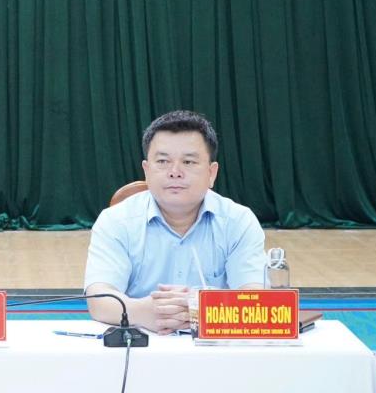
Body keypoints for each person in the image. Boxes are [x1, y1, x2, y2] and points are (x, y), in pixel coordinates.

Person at [83, 110, 265, 335]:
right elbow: (99, 299)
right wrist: (142, 311)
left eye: (188, 162)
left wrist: (201, 309)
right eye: (163, 161)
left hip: (215, 346)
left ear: (211, 173)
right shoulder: (116, 221)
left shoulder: (238, 222)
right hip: (140, 346)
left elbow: (257, 299)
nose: (175, 172)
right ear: (146, 171)